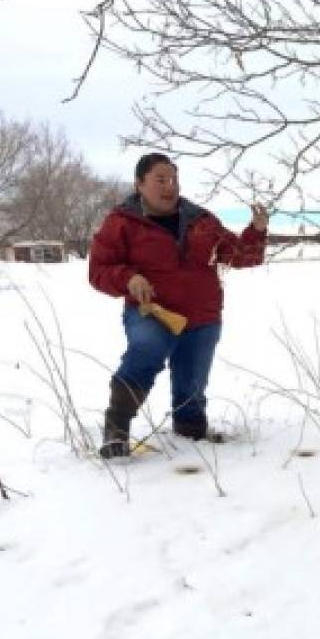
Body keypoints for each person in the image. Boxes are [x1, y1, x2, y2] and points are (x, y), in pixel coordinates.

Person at [89, 153, 269, 457]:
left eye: (172, 179)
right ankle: (116, 429)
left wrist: (257, 229)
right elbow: (99, 271)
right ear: (140, 184)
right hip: (152, 312)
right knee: (146, 350)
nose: (169, 186)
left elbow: (238, 255)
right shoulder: (122, 222)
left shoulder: (201, 220)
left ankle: (190, 429)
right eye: (160, 179)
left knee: (193, 380)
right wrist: (129, 278)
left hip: (201, 315)